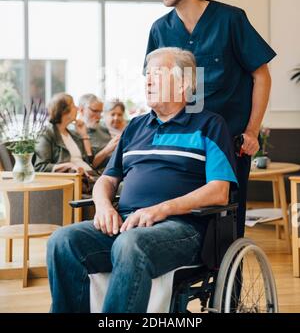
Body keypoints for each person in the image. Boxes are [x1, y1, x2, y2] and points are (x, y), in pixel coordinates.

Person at [47, 48, 237, 313]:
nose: (147, 81)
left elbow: (219, 192)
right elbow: (107, 180)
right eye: (147, 75)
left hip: (182, 229)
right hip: (126, 223)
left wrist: (162, 209)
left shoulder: (209, 125)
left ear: (183, 84)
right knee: (62, 241)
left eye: (157, 74)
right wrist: (103, 206)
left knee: (130, 243)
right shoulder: (135, 127)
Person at [145, 0, 276, 237]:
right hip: (182, 140)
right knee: (181, 216)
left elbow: (261, 75)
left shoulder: (230, 19)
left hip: (230, 141)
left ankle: (230, 282)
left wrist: (252, 131)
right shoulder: (160, 29)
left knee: (227, 224)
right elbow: (156, 86)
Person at [34, 93, 96, 195]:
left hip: (90, 176)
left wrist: (84, 135)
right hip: (77, 181)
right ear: (64, 111)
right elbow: (40, 167)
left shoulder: (73, 134)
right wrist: (69, 165)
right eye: (73, 105)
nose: (77, 108)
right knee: (121, 187)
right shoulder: (46, 134)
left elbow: (90, 160)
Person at [78, 94, 120, 171]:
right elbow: (90, 166)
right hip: (101, 174)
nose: (99, 116)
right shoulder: (75, 133)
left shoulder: (103, 129)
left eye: (100, 112)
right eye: (95, 111)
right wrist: (107, 149)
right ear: (81, 110)